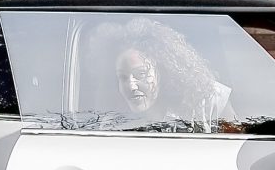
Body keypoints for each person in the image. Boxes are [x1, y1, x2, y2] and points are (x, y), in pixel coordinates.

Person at [98, 18, 232, 132]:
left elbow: (240, 145)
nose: (131, 86)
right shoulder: (113, 126)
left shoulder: (207, 100)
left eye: (141, 74)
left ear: (163, 70)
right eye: (123, 77)